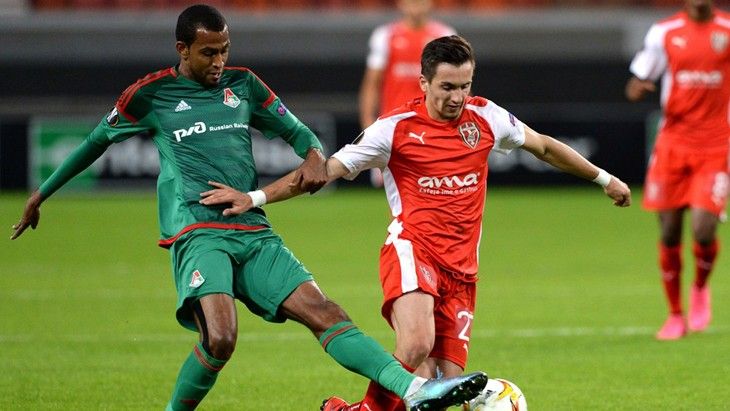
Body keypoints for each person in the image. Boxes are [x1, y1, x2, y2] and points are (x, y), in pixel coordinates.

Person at [10, 6, 491, 410]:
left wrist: (313, 156)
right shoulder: (150, 95)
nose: (219, 61)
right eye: (209, 52)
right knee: (221, 338)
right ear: (182, 50)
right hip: (197, 231)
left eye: (225, 50)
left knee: (325, 311)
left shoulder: (243, 86)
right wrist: (41, 194)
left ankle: (415, 390)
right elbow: (94, 142)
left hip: (253, 231)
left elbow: (298, 132)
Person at [197, 35, 632, 411]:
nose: (457, 97)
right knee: (416, 343)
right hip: (412, 250)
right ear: (423, 82)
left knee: (440, 382)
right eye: (447, 87)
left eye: (465, 86)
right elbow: (322, 172)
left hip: (462, 271)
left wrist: (605, 179)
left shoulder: (487, 118)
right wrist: (255, 197)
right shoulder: (394, 129)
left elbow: (545, 147)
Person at [625, 0, 729, 341]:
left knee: (703, 229)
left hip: (716, 145)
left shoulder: (727, 31)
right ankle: (675, 315)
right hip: (672, 144)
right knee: (669, 232)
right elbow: (638, 80)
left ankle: (699, 288)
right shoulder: (664, 31)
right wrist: (636, 88)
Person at [360, 0, 455, 187]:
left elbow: (457, 84)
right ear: (401, 3)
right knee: (396, 192)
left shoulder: (444, 35)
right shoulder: (385, 36)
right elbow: (371, 85)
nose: (416, 6)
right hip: (394, 128)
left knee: (436, 190)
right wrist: (368, 129)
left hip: (434, 128)